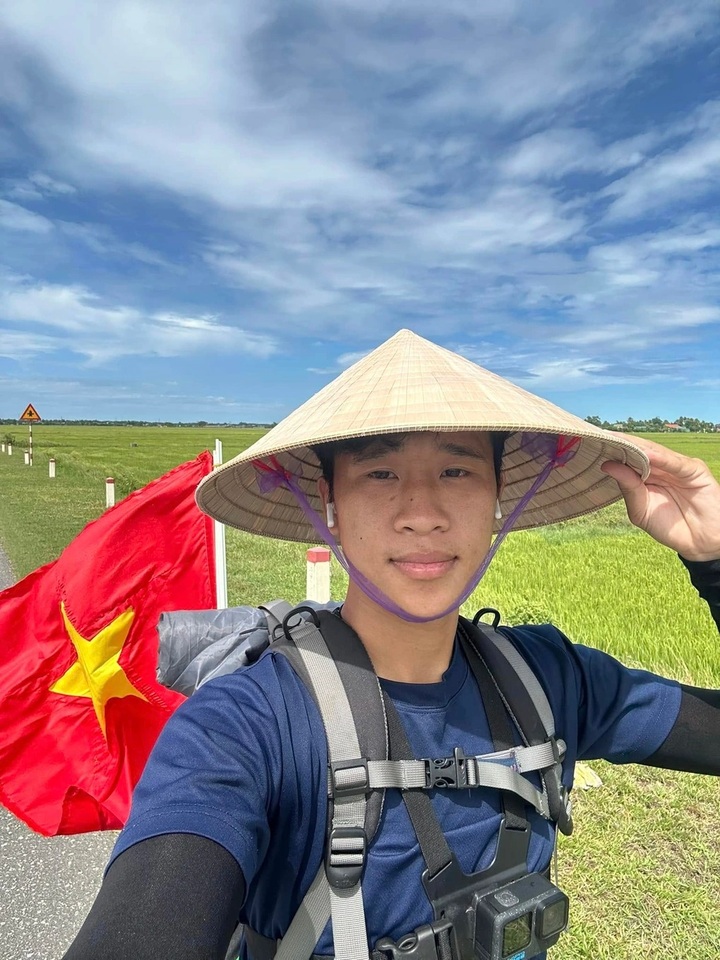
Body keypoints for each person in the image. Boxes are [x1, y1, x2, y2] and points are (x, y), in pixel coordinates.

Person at [63, 329, 720, 960]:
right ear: (329, 504)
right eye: (380, 474)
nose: (421, 512)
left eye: (457, 471)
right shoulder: (245, 725)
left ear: (498, 496)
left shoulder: (551, 680)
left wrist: (716, 559)